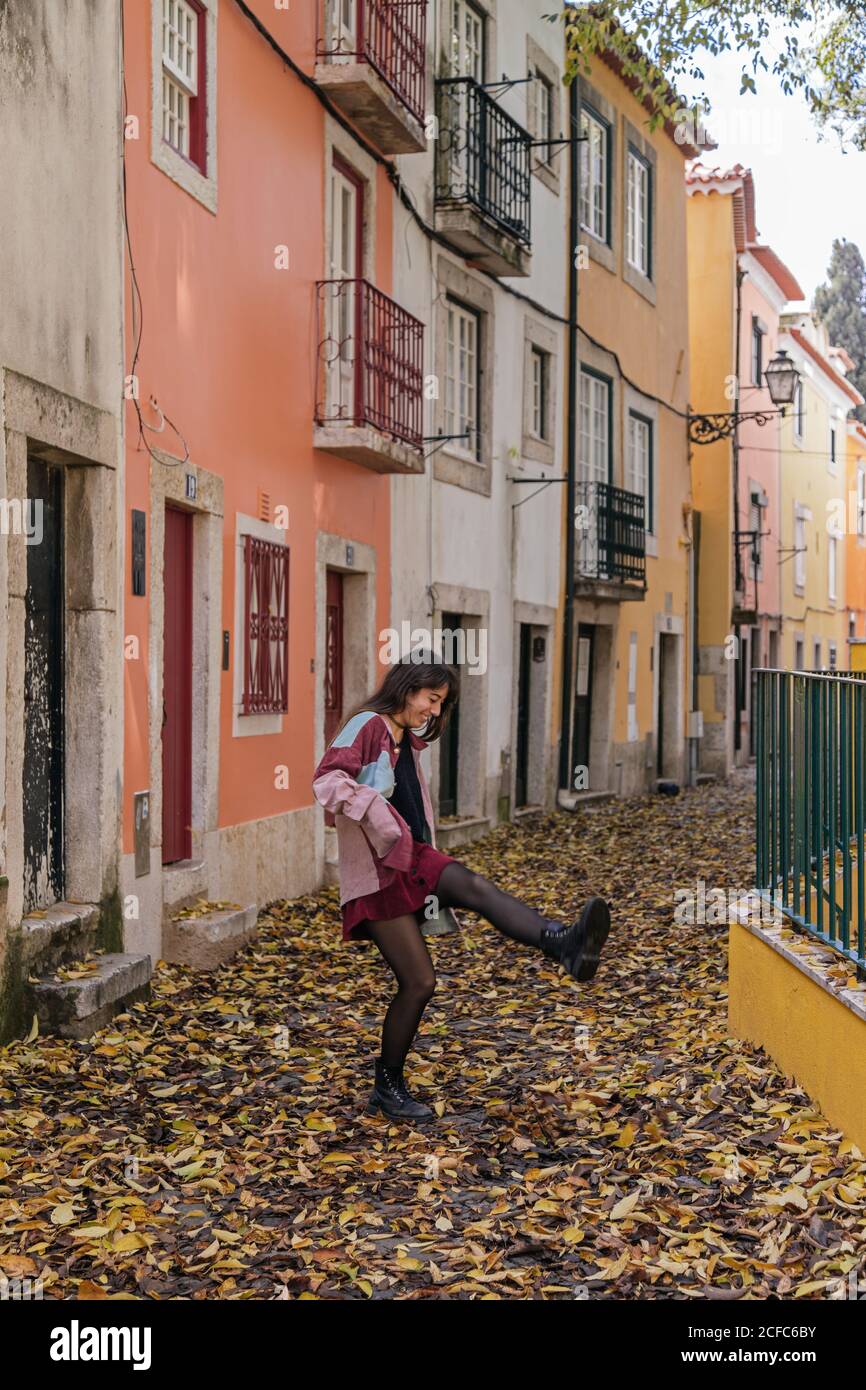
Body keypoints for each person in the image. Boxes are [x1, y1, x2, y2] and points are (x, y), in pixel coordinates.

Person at [311, 652, 611, 1123]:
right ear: (407, 688)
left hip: (415, 858)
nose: (433, 710)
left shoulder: (404, 738)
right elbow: (327, 781)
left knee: (472, 884)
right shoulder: (367, 724)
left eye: (440, 703)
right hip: (379, 876)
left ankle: (563, 943)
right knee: (419, 982)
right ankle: (387, 1086)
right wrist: (371, 809)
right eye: (431, 698)